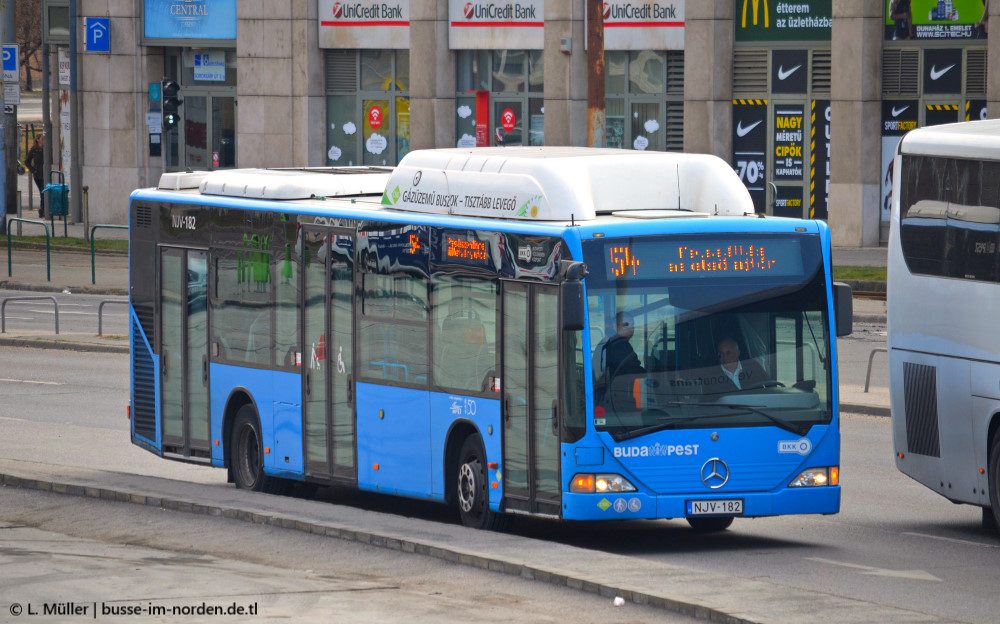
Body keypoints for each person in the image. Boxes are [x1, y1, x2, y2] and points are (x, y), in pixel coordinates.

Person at [593, 312, 645, 381]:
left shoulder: (607, 341)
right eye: (626, 325)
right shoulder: (619, 344)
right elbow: (633, 369)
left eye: (632, 325)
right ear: (615, 327)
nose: (631, 329)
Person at [24, 135, 45, 218]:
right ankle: (42, 209)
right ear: (38, 140)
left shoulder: (47, 148)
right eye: (42, 139)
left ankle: (43, 209)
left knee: (44, 192)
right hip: (38, 174)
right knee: (42, 192)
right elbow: (27, 161)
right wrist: (33, 170)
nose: (43, 140)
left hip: (46, 173)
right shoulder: (34, 150)